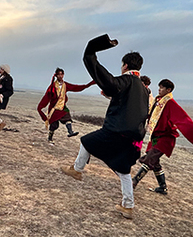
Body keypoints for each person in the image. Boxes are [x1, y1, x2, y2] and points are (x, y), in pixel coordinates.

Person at [61, 35, 148, 219]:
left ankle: (77, 170)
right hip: (132, 137)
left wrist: (91, 57)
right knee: (123, 169)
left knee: (87, 141)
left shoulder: (128, 80)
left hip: (117, 131)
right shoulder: (142, 88)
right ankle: (128, 206)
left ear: (125, 65)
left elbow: (111, 83)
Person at [132, 79, 193, 195]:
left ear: (168, 90)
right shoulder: (157, 101)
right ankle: (163, 187)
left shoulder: (171, 103)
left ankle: (134, 181)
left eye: (162, 88)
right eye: (159, 87)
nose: (159, 89)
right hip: (155, 137)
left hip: (165, 138)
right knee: (154, 162)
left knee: (149, 160)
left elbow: (183, 119)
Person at [37, 68, 94, 144]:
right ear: (56, 75)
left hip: (62, 106)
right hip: (54, 108)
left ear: (63, 75)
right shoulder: (52, 86)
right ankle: (50, 138)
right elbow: (47, 97)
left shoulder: (65, 85)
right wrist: (41, 107)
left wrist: (88, 85)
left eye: (61, 74)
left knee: (67, 117)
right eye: (59, 74)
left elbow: (76, 87)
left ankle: (70, 132)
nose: (60, 76)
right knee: (54, 125)